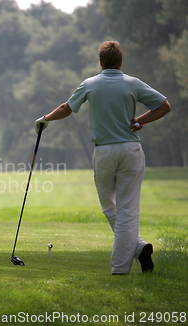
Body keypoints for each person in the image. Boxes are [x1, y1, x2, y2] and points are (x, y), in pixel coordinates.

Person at [34, 41, 171, 275]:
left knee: (110, 207)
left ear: (100, 62)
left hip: (104, 152)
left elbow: (67, 108)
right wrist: (139, 121)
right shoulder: (133, 83)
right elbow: (164, 106)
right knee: (127, 208)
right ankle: (138, 248)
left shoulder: (90, 84)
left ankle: (119, 269)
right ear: (120, 61)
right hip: (131, 150)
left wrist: (45, 118)